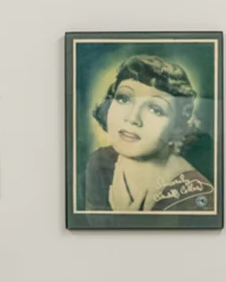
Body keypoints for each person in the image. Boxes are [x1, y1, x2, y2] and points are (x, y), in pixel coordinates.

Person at [82, 55, 213, 213]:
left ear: (176, 127)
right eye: (123, 99)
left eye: (155, 109)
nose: (132, 118)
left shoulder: (197, 193)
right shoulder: (100, 162)